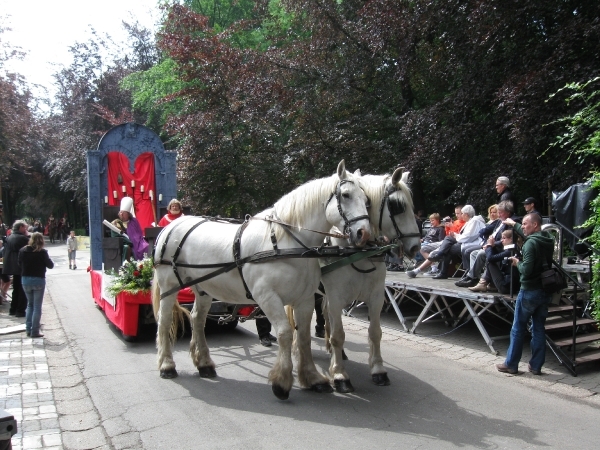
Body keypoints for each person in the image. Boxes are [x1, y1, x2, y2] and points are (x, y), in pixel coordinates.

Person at [496, 213, 554, 375]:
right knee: (538, 329)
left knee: (518, 328)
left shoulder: (529, 245)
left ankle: (511, 364)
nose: (523, 227)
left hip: (529, 290)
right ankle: (536, 366)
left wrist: (517, 263)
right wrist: (513, 224)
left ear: (535, 225)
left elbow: (526, 271)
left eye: (526, 224)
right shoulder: (547, 239)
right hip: (544, 290)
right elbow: (525, 231)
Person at [407, 205, 484, 279]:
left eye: (460, 213)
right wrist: (449, 229)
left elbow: (466, 237)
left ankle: (439, 265)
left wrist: (454, 232)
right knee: (442, 245)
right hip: (451, 241)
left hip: (463, 243)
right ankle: (439, 261)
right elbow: (452, 235)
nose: (458, 215)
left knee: (446, 249)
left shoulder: (473, 222)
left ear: (466, 214)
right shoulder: (466, 222)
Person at [456, 201, 517, 287]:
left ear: (508, 212)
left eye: (500, 213)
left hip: (500, 247)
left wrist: (492, 244)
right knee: (473, 253)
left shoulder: (512, 221)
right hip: (490, 244)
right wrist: (488, 243)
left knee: (480, 253)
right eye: (498, 212)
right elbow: (488, 232)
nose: (499, 215)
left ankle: (474, 279)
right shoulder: (500, 221)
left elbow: (509, 239)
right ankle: (474, 277)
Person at [18, 232, 54, 338]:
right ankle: (35, 331)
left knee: (30, 305)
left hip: (25, 279)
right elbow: (50, 265)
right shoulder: (42, 252)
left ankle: (28, 329)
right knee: (37, 306)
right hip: (38, 279)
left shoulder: (23, 250)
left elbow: (19, 263)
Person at [468, 229, 520, 294]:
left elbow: (490, 258)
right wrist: (491, 245)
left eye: (504, 238)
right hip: (510, 286)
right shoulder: (513, 249)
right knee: (493, 260)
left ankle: (482, 283)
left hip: (507, 288)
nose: (501, 240)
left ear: (511, 239)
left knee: (490, 262)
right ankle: (489, 284)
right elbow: (496, 253)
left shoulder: (510, 251)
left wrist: (489, 246)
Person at [5, 220, 30, 317]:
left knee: (16, 288)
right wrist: (28, 236)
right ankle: (20, 310)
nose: (26, 229)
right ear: (20, 227)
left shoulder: (10, 237)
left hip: (13, 267)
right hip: (20, 268)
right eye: (25, 227)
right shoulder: (22, 238)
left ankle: (13, 309)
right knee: (22, 290)